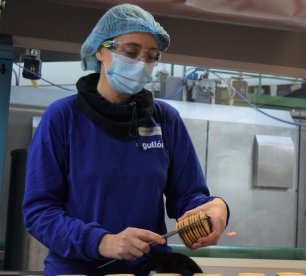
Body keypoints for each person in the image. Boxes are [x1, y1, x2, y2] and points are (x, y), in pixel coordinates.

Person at [22, 4, 229, 275]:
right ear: (100, 50)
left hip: (149, 269)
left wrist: (215, 209)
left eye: (152, 56)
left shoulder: (164, 119)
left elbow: (188, 197)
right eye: (131, 52)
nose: (141, 63)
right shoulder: (63, 117)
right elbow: (40, 213)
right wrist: (102, 241)